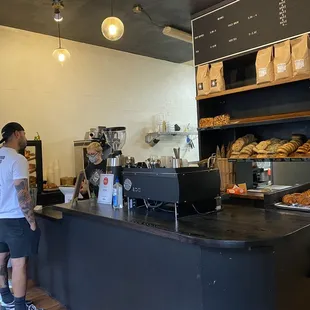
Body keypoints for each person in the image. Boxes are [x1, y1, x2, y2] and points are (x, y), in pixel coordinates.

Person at [0, 123, 41, 310]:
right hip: (15, 219)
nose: (25, 137)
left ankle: (5, 298)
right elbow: (22, 194)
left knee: (1, 260)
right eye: (24, 133)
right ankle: (19, 307)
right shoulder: (18, 159)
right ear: (17, 134)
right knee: (18, 264)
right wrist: (32, 222)